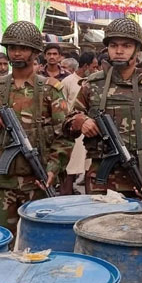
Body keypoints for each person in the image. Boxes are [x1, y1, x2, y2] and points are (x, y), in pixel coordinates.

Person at [0, 21, 74, 244]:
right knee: (1, 244)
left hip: (38, 181)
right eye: (12, 48)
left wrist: (52, 168)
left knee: (40, 245)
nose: (17, 52)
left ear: (35, 52)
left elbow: (65, 134)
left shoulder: (49, 90)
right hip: (2, 182)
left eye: (22, 48)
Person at [68, 17, 142, 201]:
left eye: (126, 45)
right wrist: (81, 121)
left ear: (137, 50)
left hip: (140, 179)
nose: (119, 51)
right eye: (114, 45)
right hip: (100, 182)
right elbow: (68, 122)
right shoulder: (92, 84)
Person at [59, 51, 98, 196]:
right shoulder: (67, 81)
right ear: (86, 66)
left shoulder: (92, 83)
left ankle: (90, 199)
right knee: (70, 168)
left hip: (89, 131)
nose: (96, 70)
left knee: (89, 168)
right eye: (94, 67)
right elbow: (62, 107)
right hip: (73, 131)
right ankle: (66, 198)